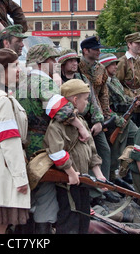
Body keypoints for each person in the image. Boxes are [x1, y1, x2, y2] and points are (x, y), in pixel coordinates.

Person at [15, 43, 90, 234]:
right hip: (43, 147)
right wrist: (81, 127)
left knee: (30, 197)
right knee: (46, 198)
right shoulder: (42, 82)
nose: (55, 63)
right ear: (41, 62)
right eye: (51, 60)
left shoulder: (22, 82)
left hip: (24, 143)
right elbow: (60, 110)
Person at [44, 79, 104, 234]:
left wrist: (99, 175)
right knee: (69, 221)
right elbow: (56, 152)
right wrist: (70, 172)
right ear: (75, 100)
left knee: (84, 219)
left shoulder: (81, 121)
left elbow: (91, 149)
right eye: (85, 99)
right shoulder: (57, 126)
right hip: (67, 184)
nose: (87, 103)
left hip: (83, 181)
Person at [0, 49, 30, 234]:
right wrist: (20, 178)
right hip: (5, 171)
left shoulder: (0, 96)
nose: (19, 70)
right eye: (15, 66)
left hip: (2, 169)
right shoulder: (2, 101)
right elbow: (9, 141)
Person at [78, 36, 119, 203]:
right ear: (86, 50)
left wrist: (105, 117)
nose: (99, 51)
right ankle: (90, 191)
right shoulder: (77, 66)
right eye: (95, 49)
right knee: (86, 155)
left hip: (97, 118)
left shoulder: (101, 68)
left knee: (104, 151)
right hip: (81, 117)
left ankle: (104, 186)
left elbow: (103, 93)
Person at [99, 53, 139, 184]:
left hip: (125, 116)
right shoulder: (102, 82)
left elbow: (122, 96)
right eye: (112, 64)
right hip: (114, 119)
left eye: (116, 63)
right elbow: (104, 105)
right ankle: (111, 175)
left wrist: (132, 100)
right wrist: (116, 118)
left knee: (136, 137)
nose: (116, 66)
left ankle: (126, 168)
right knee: (115, 149)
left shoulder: (114, 80)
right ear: (105, 66)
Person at [116, 32, 140, 127]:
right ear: (129, 44)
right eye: (137, 43)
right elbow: (117, 84)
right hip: (130, 104)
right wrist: (129, 97)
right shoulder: (122, 62)